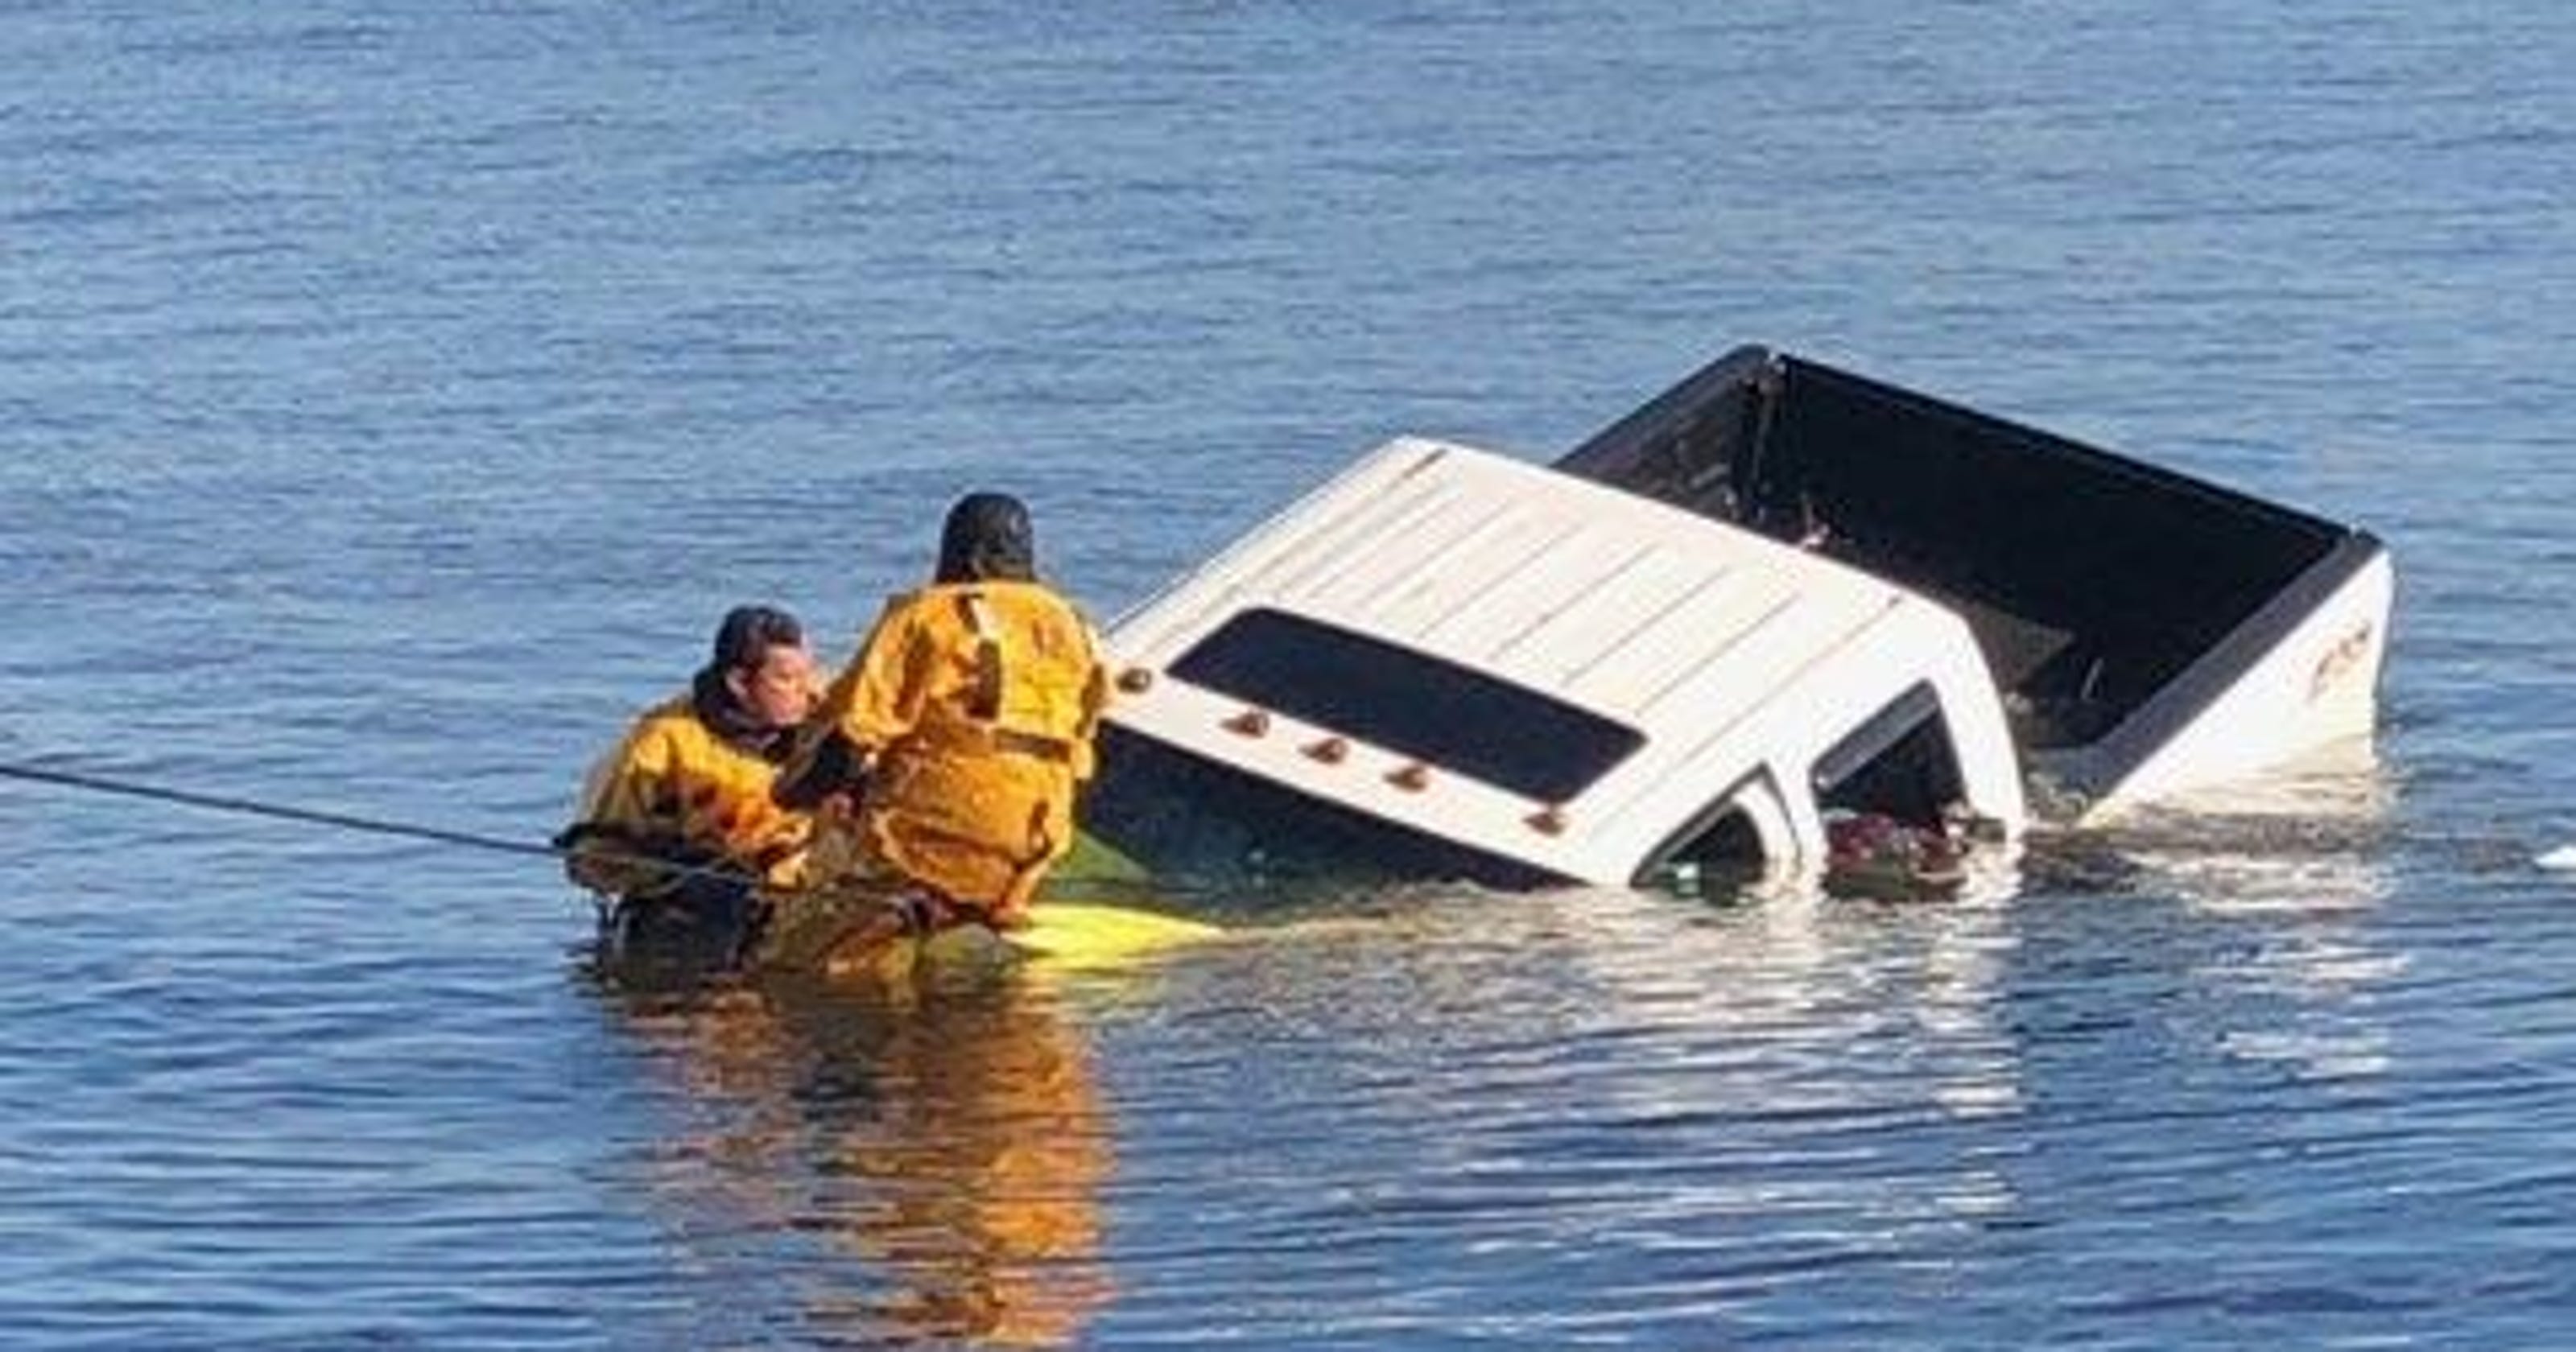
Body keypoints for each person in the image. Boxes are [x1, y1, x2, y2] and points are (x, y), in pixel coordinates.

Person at [773, 493, 1108, 968]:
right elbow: (1088, 725)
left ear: (967, 557)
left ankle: (890, 933)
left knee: (799, 963)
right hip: (1039, 834)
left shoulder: (924, 616)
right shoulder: (1073, 623)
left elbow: (855, 730)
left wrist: (797, 794)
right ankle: (994, 906)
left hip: (940, 831)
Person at [559, 604, 824, 958]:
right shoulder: (661, 744)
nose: (807, 692)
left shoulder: (831, 722)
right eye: (787, 680)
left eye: (810, 673)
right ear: (740, 683)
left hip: (809, 897)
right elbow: (589, 856)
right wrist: (677, 872)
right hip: (698, 908)